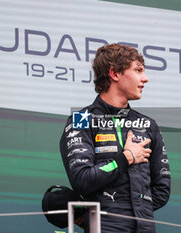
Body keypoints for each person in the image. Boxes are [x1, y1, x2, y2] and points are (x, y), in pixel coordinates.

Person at [59, 43, 171, 233]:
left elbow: (162, 190)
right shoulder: (81, 120)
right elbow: (82, 179)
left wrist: (132, 210)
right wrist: (126, 158)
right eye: (138, 70)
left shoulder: (148, 125)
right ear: (115, 74)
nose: (145, 78)